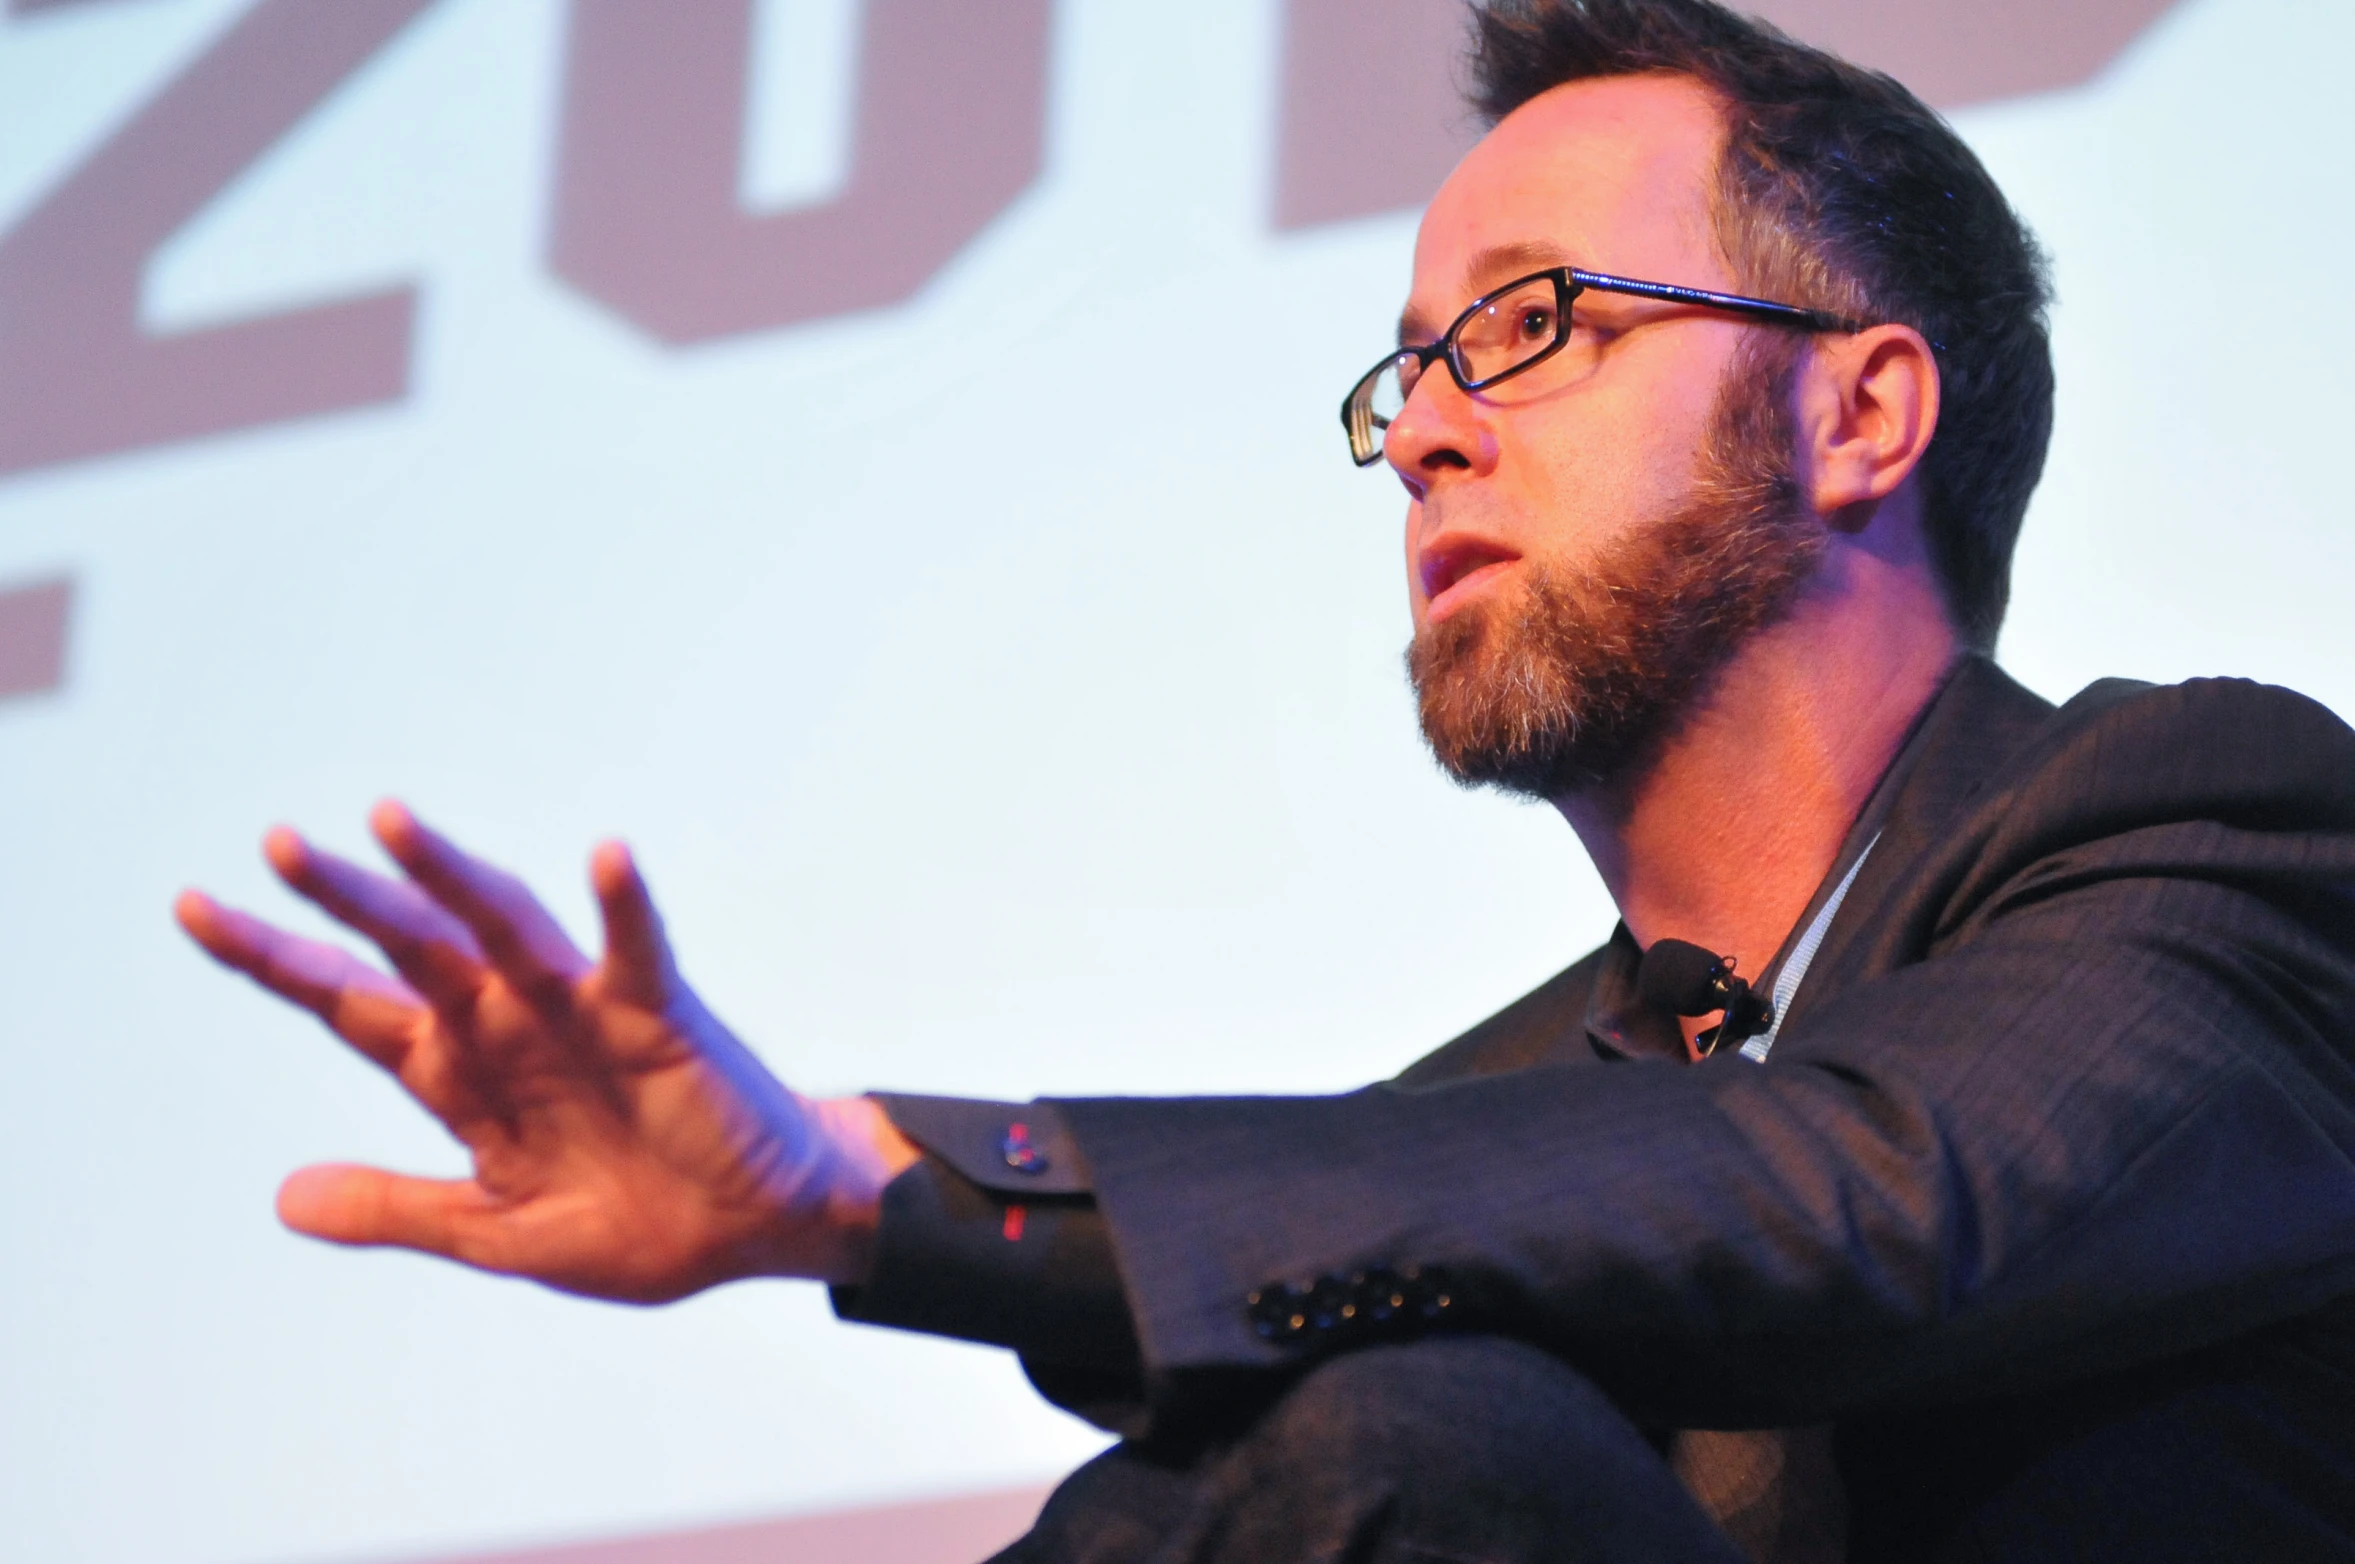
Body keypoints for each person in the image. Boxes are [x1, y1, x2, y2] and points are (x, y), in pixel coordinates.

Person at [176, 1, 2355, 1559]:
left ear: (1862, 413)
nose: (1418, 431)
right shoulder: (1471, 1122)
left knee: (1408, 1417)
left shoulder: (2214, 831)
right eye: (1404, 371)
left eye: (1526, 330)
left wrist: (875, 1184)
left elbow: (1876, 1193)